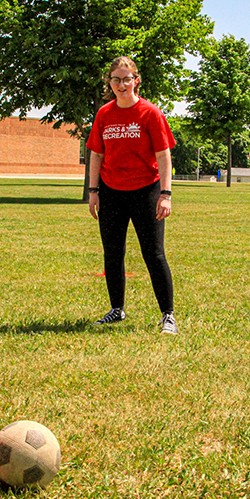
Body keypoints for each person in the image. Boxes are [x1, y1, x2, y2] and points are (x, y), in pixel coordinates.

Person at [86, 57, 177, 335]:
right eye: (116, 79)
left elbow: (164, 156)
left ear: (136, 80)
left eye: (127, 79)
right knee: (113, 253)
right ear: (109, 83)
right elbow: (96, 154)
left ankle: (168, 316)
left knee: (154, 254)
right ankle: (116, 309)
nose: (121, 84)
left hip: (146, 191)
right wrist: (93, 191)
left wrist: (165, 193)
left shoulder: (150, 113)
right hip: (111, 192)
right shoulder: (104, 114)